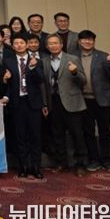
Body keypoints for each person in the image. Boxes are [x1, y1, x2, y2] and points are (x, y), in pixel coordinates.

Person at [41, 34, 88, 177]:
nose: (53, 46)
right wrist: (45, 104)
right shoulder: (44, 61)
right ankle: (61, 163)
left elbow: (83, 81)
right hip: (53, 102)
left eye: (56, 43)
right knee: (57, 135)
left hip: (72, 102)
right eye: (50, 44)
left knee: (77, 135)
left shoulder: (72, 59)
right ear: (47, 46)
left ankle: (80, 165)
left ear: (61, 45)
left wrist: (74, 72)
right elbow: (43, 85)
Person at [2, 33, 45, 179]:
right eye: (16, 43)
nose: (19, 45)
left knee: (35, 136)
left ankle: (36, 167)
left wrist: (32, 67)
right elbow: (6, 84)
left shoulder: (36, 60)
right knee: (20, 136)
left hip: (33, 103)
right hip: (17, 102)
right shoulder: (8, 61)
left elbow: (40, 80)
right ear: (12, 46)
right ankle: (23, 167)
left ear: (27, 44)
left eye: (21, 43)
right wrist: (5, 79)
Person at [78, 29, 110, 172]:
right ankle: (93, 160)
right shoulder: (74, 57)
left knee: (104, 131)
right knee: (88, 132)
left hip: (103, 100)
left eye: (90, 39)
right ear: (79, 41)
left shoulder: (103, 56)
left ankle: (106, 160)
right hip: (84, 100)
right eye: (84, 39)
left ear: (94, 41)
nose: (87, 42)